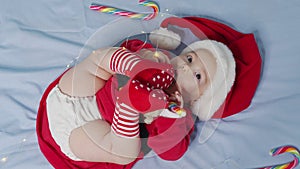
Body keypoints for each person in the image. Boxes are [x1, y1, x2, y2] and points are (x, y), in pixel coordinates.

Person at [44, 25, 236, 165]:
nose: (186, 66)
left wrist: (172, 117)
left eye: (198, 75)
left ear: (197, 99)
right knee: (100, 60)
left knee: (123, 154)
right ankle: (131, 65)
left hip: (89, 132)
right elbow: (129, 44)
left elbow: (171, 153)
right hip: (76, 95)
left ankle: (128, 105)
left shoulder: (176, 113)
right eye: (190, 58)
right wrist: (142, 57)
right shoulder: (159, 57)